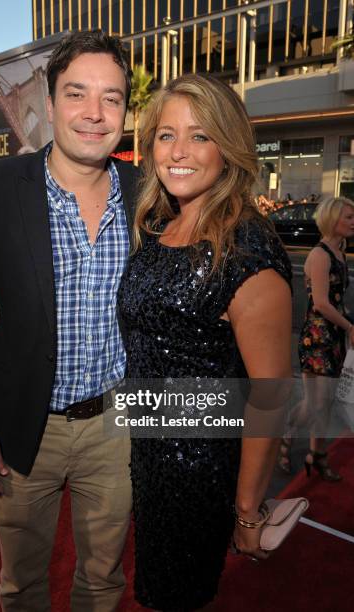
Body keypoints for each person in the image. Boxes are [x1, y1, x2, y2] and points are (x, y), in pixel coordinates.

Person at [0, 30, 139, 612]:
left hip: (116, 427)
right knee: (22, 584)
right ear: (49, 104)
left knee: (104, 581)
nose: (95, 114)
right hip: (25, 428)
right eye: (78, 94)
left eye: (113, 98)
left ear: (127, 110)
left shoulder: (146, 190)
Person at [117, 74, 293, 611]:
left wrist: (246, 512)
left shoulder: (245, 249)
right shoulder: (159, 227)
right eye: (166, 135)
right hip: (149, 458)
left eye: (199, 135)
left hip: (197, 471)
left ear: (229, 146)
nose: (179, 152)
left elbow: (269, 396)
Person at [278, 197, 354, 479]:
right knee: (315, 402)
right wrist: (349, 327)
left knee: (326, 402)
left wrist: (346, 328)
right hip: (317, 336)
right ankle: (286, 435)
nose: (353, 222)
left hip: (332, 335)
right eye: (348, 217)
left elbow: (338, 300)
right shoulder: (320, 255)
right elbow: (321, 303)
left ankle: (317, 455)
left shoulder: (339, 253)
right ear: (333, 220)